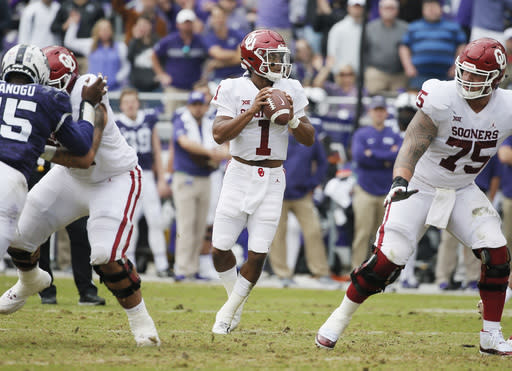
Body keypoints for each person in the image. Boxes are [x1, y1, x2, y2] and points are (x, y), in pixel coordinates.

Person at [315, 38, 512, 356]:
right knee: (386, 261)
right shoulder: (442, 96)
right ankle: (337, 319)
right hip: (421, 185)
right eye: (465, 71)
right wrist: (398, 182)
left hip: (462, 189)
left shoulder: (507, 106)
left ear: (497, 78)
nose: (467, 80)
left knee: (497, 253)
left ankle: (491, 335)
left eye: (477, 75)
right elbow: (413, 142)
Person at [0, 46, 161, 347]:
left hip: (113, 178)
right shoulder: (37, 95)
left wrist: (32, 148)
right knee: (17, 236)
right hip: (69, 178)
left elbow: (85, 156)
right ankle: (29, 281)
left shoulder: (89, 95)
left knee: (105, 256)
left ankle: (141, 321)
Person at [210, 29, 315, 334]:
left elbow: (308, 139)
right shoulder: (232, 88)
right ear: (253, 60)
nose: (281, 64)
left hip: (272, 176)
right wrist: (253, 110)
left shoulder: (291, 87)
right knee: (219, 249)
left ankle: (227, 313)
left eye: (282, 57)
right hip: (239, 172)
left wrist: (293, 118)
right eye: (273, 58)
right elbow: (219, 135)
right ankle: (236, 302)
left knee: (258, 252)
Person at [0, 43, 105, 299]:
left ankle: (33, 279)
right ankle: (34, 279)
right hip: (10, 180)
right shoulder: (49, 97)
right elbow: (80, 146)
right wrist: (88, 105)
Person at [171, 90, 229, 281]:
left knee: (199, 226)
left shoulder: (209, 121)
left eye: (200, 104)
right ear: (189, 106)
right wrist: (211, 153)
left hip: (205, 177)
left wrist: (215, 154)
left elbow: (224, 147)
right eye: (194, 104)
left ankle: (193, 267)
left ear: (205, 106)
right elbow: (185, 143)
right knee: (186, 224)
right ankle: (181, 268)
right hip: (186, 177)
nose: (197, 108)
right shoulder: (181, 119)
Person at [115, 88, 172, 278]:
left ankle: (162, 264)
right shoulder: (116, 124)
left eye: (133, 101)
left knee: (155, 219)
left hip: (146, 175)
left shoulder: (148, 119)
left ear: (138, 102)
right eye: (126, 102)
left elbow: (156, 150)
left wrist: (162, 179)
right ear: (121, 105)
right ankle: (128, 264)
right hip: (126, 177)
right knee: (130, 223)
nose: (130, 105)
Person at [268, 130, 334, 288]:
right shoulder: (275, 134)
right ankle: (282, 274)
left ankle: (321, 272)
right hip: (278, 193)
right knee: (278, 233)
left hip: (302, 194)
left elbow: (322, 163)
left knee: (313, 230)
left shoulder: (308, 135)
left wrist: (312, 183)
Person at [349, 96, 402, 271]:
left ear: (386, 113)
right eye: (376, 110)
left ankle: (380, 272)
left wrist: (372, 154)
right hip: (365, 188)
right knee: (362, 233)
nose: (379, 113)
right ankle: (356, 270)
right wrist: (385, 157)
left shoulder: (393, 134)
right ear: (370, 112)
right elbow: (359, 156)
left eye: (381, 110)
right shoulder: (361, 134)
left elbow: (398, 157)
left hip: (386, 191)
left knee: (383, 236)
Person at [399, 0, 466, 90]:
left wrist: (456, 67)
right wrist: (408, 67)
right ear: (423, 10)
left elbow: (462, 47)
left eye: (434, 7)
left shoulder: (453, 27)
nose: (431, 10)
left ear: (440, 9)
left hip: (446, 76)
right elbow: (404, 47)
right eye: (428, 7)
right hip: (419, 76)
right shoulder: (413, 27)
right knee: (418, 102)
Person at [364, 0, 409, 95]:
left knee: (400, 102)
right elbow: (364, 52)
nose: (389, 11)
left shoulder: (406, 28)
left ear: (397, 10)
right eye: (386, 8)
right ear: (380, 10)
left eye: (392, 8)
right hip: (377, 72)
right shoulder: (370, 28)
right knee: (373, 100)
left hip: (399, 73)